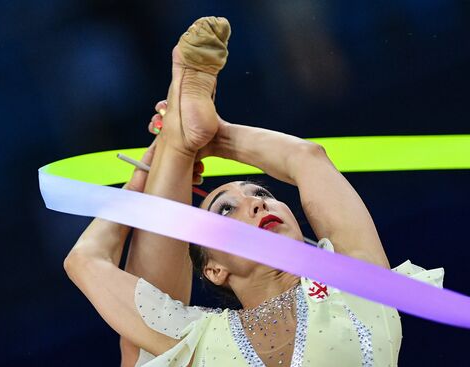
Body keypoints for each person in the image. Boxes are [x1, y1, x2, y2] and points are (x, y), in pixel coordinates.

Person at [63, 17, 444, 367]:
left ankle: (182, 136)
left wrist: (217, 135)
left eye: (260, 192)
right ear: (213, 269)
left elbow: (307, 158)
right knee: (140, 352)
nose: (256, 202)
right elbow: (84, 261)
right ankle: (178, 142)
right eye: (226, 210)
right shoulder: (195, 339)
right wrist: (140, 181)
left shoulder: (356, 283)